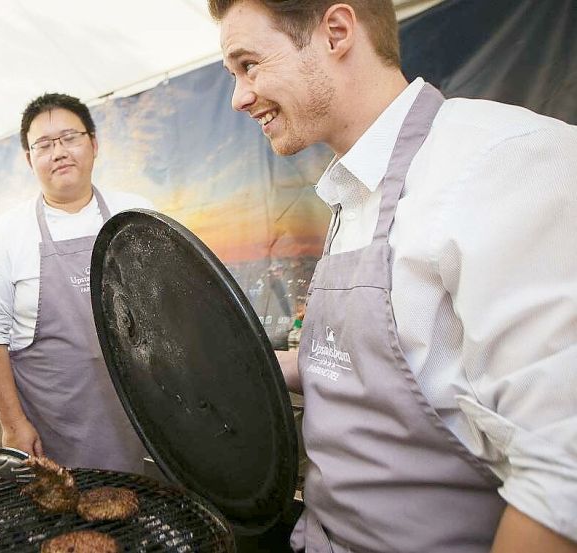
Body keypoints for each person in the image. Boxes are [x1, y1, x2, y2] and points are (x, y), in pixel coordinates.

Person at [209, 1, 577, 552]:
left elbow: (562, 473)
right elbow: (379, 365)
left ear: (335, 31)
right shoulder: (351, 193)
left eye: (249, 64)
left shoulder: (501, 161)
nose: (238, 97)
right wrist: (251, 366)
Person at [0, 93, 151, 474]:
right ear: (29, 159)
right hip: (53, 430)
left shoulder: (137, 215)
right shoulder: (3, 234)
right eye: (44, 145)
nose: (59, 152)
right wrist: (14, 425)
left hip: (142, 414)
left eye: (70, 138)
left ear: (94, 144)